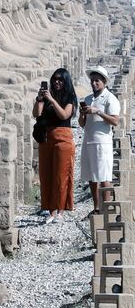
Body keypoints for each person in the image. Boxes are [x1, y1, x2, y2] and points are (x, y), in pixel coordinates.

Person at [32, 68, 78, 223]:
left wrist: (52, 100)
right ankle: (50, 210)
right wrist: (40, 98)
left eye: (60, 79)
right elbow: (37, 114)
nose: (57, 82)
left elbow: (64, 115)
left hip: (63, 138)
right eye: (55, 79)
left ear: (65, 81)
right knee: (46, 175)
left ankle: (60, 211)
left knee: (61, 175)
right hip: (46, 138)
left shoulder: (69, 97)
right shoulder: (46, 97)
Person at [80, 65, 120, 214]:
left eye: (97, 81)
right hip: (88, 140)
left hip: (102, 142)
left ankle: (107, 208)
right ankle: (97, 208)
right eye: (92, 81)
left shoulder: (110, 99)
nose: (94, 83)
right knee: (92, 177)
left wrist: (98, 112)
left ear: (104, 82)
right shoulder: (88, 98)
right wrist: (83, 114)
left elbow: (115, 121)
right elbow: (82, 124)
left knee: (104, 176)